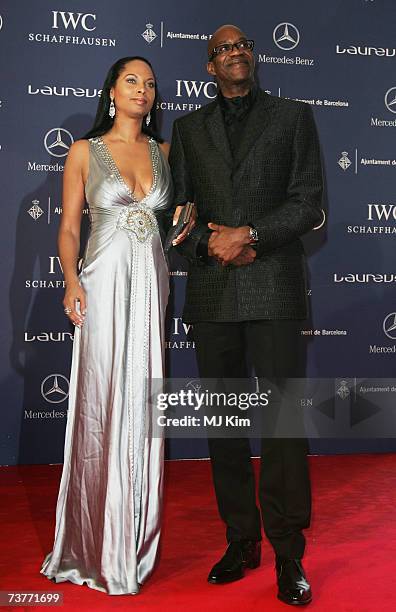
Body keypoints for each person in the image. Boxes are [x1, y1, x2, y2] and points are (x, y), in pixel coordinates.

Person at [169, 25, 323, 606]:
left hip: (274, 286)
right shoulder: (187, 131)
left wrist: (250, 234)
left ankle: (288, 552)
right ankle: (241, 539)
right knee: (225, 427)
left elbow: (309, 202)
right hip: (213, 292)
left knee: (283, 424)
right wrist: (209, 243)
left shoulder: (293, 117)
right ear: (210, 68)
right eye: (221, 49)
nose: (235, 52)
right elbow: (178, 213)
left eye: (242, 45)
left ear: (252, 58)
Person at [41, 56, 174, 595]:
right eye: (131, 81)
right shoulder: (82, 151)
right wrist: (71, 281)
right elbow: (69, 227)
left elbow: (181, 210)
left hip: (151, 287)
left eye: (149, 83)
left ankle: (135, 541)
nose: (142, 90)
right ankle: (91, 545)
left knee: (144, 404)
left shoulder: (166, 153)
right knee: (101, 403)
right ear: (112, 93)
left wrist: (183, 225)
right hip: (101, 282)